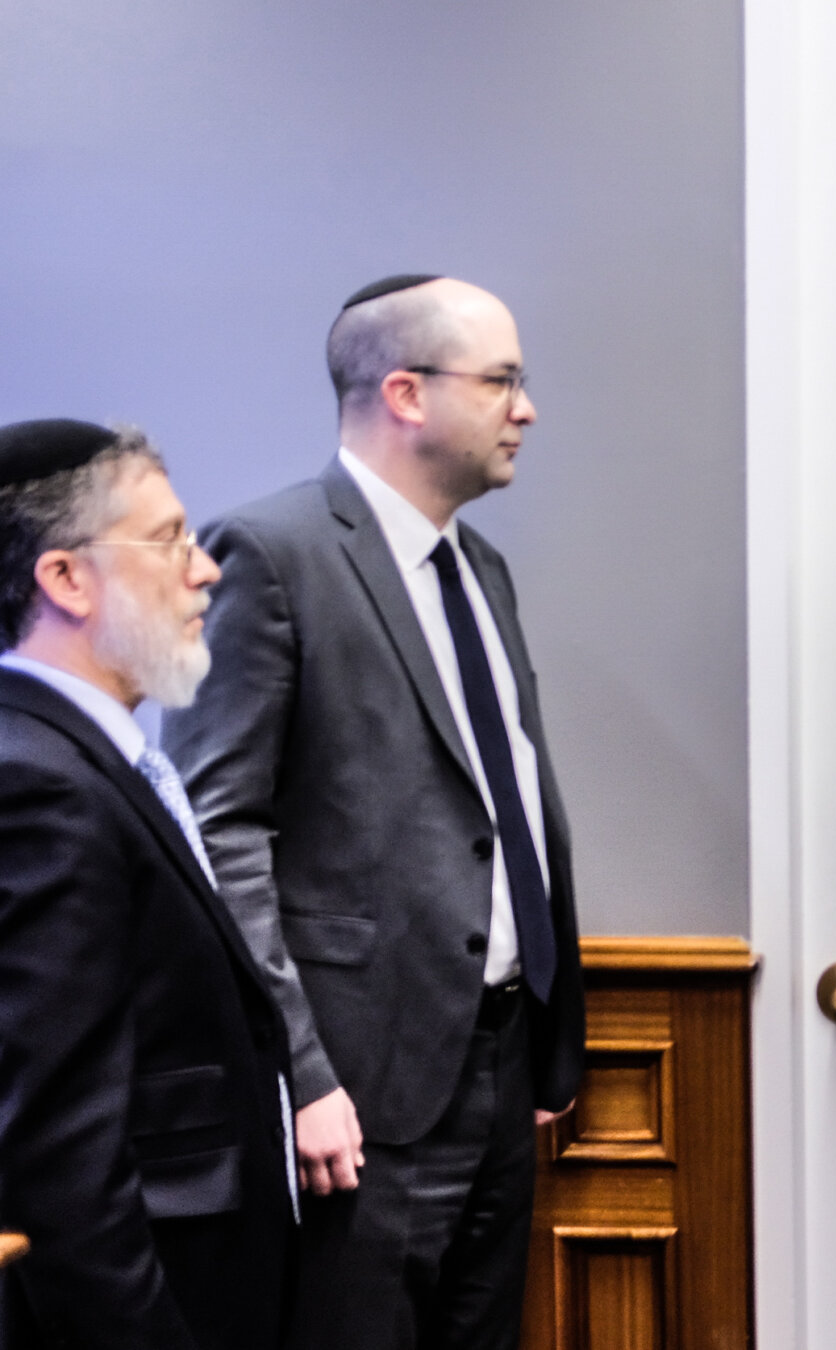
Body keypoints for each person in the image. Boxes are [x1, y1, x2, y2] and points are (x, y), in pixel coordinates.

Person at [163, 275, 585, 1346]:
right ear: (405, 392)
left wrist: (547, 1037)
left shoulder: (481, 568)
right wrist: (299, 1075)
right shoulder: (272, 554)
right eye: (503, 381)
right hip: (357, 1094)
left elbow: (505, 800)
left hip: (500, 1069)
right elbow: (220, 834)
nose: (525, 409)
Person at [0, 419, 293, 1349]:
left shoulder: (91, 761)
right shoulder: (38, 784)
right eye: (168, 539)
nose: (204, 569)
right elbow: (59, 1154)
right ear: (66, 579)